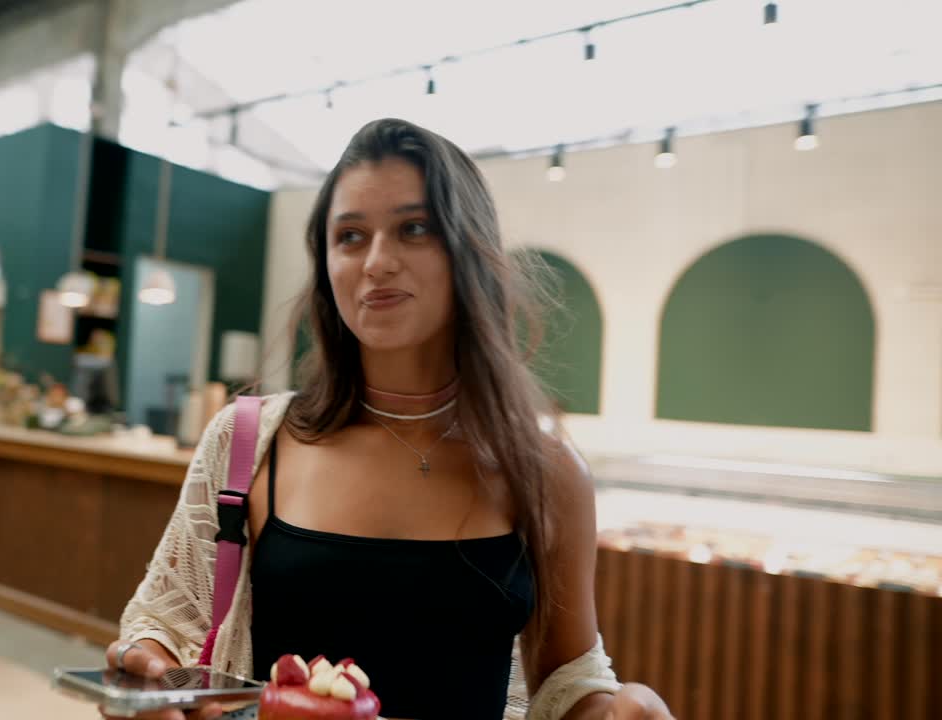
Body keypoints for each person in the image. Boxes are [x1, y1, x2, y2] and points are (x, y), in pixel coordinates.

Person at [103, 119, 673, 720]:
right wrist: (146, 666)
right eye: (350, 236)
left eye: (414, 228)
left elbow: (565, 679)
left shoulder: (547, 471)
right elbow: (167, 621)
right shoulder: (248, 442)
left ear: (468, 251)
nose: (377, 262)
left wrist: (618, 711)